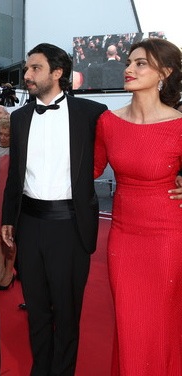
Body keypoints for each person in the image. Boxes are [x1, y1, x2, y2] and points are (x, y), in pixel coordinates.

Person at [1, 43, 107, 375]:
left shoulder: (92, 113)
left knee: (66, 311)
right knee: (36, 309)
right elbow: (15, 174)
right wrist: (7, 218)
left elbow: (129, 148)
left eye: (35, 68)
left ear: (57, 73)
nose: (27, 75)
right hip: (29, 225)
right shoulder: (18, 119)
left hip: (70, 227)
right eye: (28, 69)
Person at [94, 38, 182, 375]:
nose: (129, 69)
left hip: (168, 237)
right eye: (129, 62)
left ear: (165, 72)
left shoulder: (178, 125)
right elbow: (90, 169)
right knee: (129, 322)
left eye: (140, 63)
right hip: (124, 237)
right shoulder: (109, 122)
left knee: (162, 324)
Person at [0, 117, 16, 290]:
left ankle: (9, 270)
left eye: (7, 134)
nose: (3, 137)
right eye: (0, 133)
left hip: (8, 199)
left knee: (9, 237)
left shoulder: (17, 152)